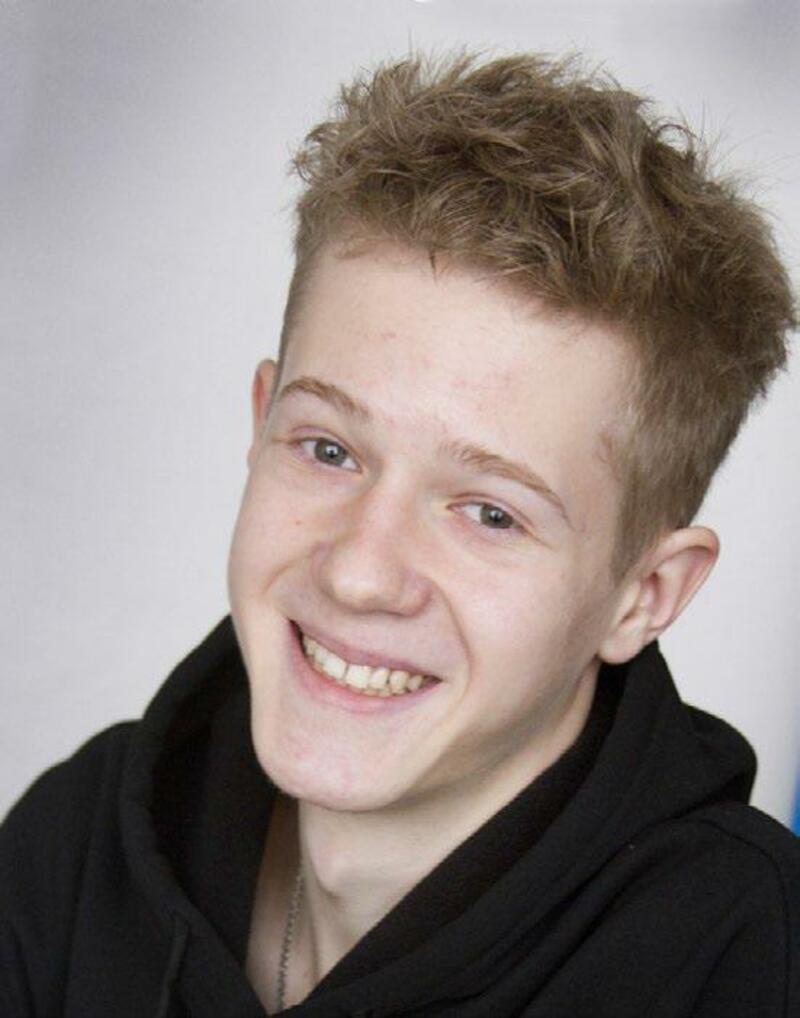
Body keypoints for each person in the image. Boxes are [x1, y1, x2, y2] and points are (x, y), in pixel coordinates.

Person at [2, 51, 798, 1018]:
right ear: (260, 424)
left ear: (645, 595)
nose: (360, 573)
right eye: (329, 449)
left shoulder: (745, 967)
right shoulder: (78, 844)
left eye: (491, 513)